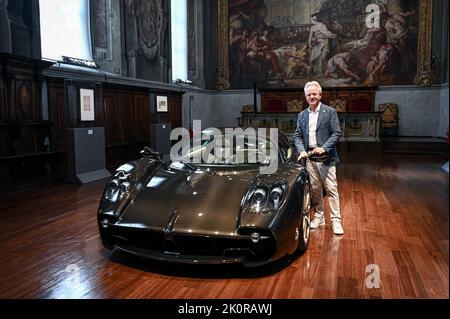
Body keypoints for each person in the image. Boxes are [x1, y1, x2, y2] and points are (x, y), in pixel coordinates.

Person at [293, 81, 344, 235]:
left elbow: (336, 133)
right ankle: (320, 217)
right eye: (309, 94)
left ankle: (336, 221)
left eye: (314, 94)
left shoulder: (330, 112)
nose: (312, 97)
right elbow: (297, 136)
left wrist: (324, 147)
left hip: (326, 157)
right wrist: (301, 150)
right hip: (309, 158)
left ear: (320, 95)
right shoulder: (302, 115)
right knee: (315, 189)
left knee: (331, 189)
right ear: (305, 96)